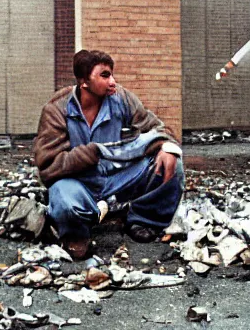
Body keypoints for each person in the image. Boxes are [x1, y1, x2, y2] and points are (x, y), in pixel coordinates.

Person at [33, 50, 185, 259]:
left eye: (112, 75)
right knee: (63, 200)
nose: (113, 81)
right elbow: (48, 166)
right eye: (105, 76)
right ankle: (77, 233)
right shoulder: (57, 109)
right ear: (84, 81)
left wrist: (165, 145)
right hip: (79, 183)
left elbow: (156, 127)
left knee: (171, 162)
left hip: (116, 178)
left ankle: (143, 220)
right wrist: (90, 153)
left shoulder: (121, 98)